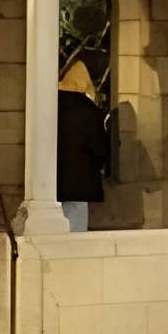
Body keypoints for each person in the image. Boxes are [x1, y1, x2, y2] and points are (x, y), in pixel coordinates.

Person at [54, 60, 107, 233]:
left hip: (51, 182)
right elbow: (99, 148)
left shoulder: (50, 106)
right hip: (80, 183)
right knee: (76, 232)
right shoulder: (89, 111)